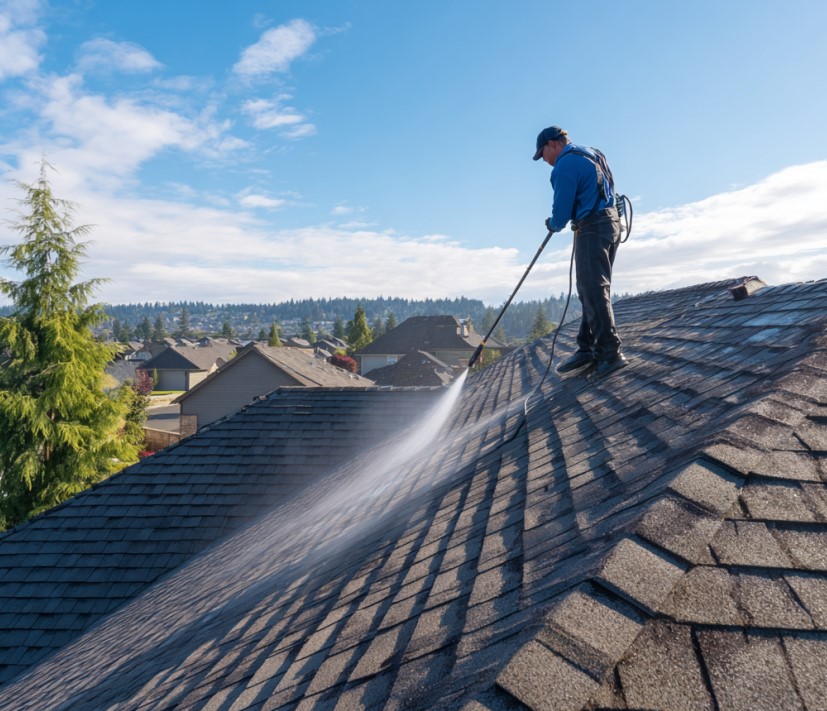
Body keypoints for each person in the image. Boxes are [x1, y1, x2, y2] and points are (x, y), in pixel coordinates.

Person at [533, 125, 628, 379]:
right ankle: (587, 347)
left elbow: (562, 212)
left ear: (552, 144)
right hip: (612, 224)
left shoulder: (564, 165)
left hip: (593, 227)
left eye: (542, 154)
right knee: (594, 287)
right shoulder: (593, 153)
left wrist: (553, 223)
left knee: (592, 288)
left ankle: (609, 353)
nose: (544, 161)